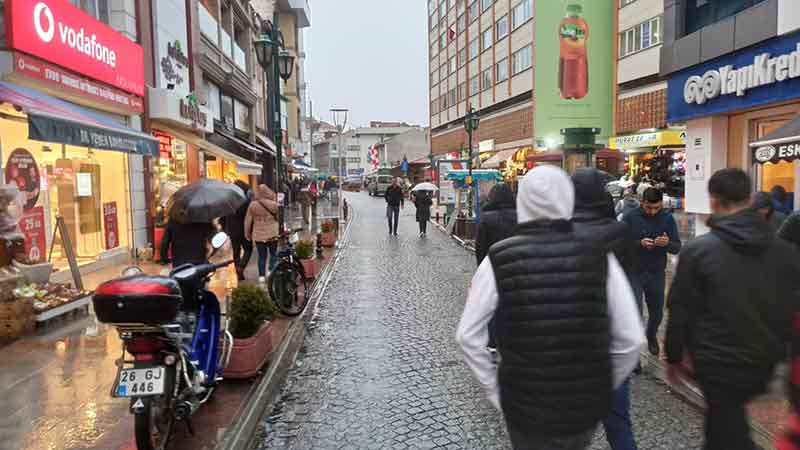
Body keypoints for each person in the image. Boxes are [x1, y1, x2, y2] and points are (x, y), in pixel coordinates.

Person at [456, 166, 644, 450]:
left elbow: (468, 336)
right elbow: (630, 339)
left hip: (523, 402)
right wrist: (603, 385)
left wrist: (495, 391)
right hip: (580, 405)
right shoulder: (599, 256)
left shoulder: (499, 257)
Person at [666, 168, 800, 450]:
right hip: (765, 358)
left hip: (716, 360)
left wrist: (674, 354)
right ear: (751, 199)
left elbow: (680, 308)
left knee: (726, 428)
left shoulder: (699, 251)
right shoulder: (784, 252)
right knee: (725, 424)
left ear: (713, 200)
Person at [571, 168, 639, 450]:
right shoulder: (621, 231)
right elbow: (629, 285)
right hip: (609, 339)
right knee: (619, 424)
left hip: (569, 341)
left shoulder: (560, 231)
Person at [622, 187, 681, 356]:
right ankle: (634, 354)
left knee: (657, 312)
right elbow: (620, 244)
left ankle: (651, 335)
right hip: (634, 271)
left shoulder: (667, 218)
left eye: (657, 208)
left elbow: (676, 247)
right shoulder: (630, 217)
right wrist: (638, 243)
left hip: (656, 272)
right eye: (649, 208)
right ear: (642, 202)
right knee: (635, 313)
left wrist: (667, 243)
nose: (653, 212)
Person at [475, 183, 517, 266]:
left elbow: (480, 248)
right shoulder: (519, 216)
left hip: (493, 264)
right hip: (515, 264)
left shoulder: (486, 219)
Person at [244, 185, 279, 284]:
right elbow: (278, 217)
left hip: (259, 234)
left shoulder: (253, 205)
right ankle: (271, 270)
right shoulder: (273, 204)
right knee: (273, 254)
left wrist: (247, 233)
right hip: (272, 233)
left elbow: (248, 221)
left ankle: (261, 276)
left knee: (262, 256)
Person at [221, 180, 253, 281]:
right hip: (244, 230)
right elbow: (249, 217)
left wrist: (224, 229)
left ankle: (238, 271)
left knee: (236, 251)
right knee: (248, 249)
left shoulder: (228, 202)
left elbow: (222, 217)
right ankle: (241, 267)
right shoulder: (246, 202)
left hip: (232, 230)